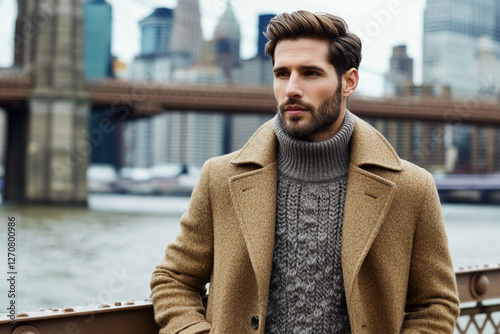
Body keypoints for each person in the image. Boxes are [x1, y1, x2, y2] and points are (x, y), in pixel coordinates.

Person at [151, 10, 460, 334]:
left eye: (310, 73)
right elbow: (173, 280)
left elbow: (435, 305)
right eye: (282, 74)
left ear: (348, 82)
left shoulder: (411, 188)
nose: (291, 89)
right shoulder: (219, 177)